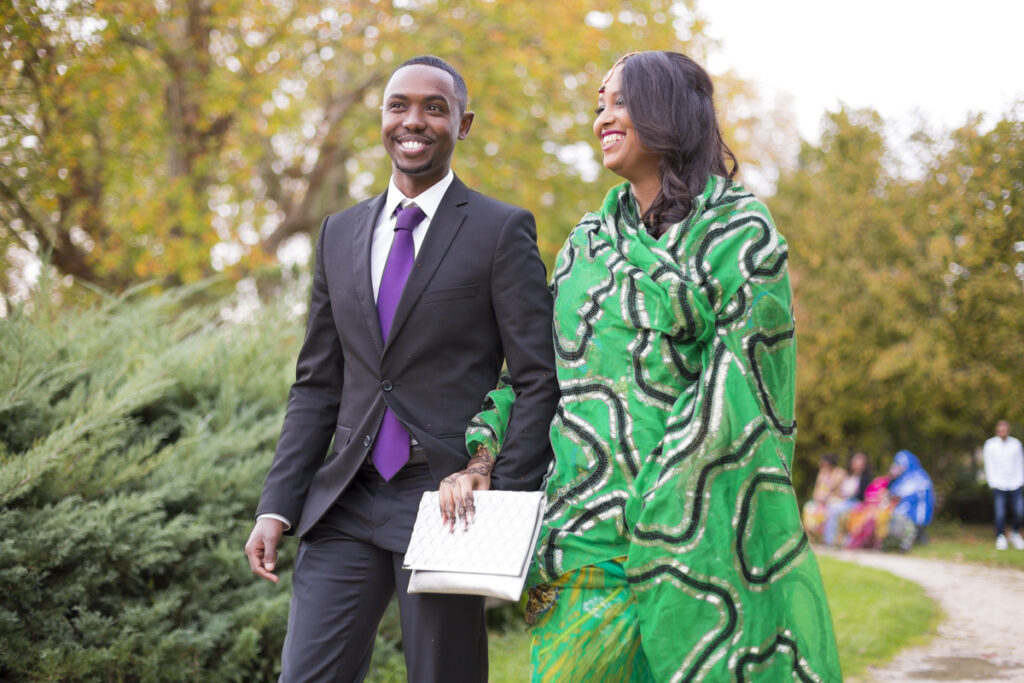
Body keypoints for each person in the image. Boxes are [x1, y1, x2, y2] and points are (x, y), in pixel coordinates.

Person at [458, 51, 840, 681]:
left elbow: (753, 389)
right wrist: (481, 458)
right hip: (581, 538)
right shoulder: (585, 245)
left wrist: (662, 498)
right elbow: (532, 377)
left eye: (621, 101)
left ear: (669, 110)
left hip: (696, 542)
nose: (603, 117)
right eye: (599, 105)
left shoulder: (740, 232)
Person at [243, 55, 559, 682]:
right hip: (347, 499)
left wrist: (502, 493)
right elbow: (317, 384)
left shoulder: (500, 231)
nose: (414, 120)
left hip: (446, 504)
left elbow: (537, 377)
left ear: (462, 124)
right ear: (382, 118)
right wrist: (276, 505)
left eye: (434, 108)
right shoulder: (338, 233)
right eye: (399, 106)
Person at [982, 420, 1024, 550]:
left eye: (1005, 429)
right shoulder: (990, 444)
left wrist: (1021, 479)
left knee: (1019, 511)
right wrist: (992, 482)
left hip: (1015, 483)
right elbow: (988, 464)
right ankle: (1000, 537)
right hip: (999, 483)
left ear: (1008, 430)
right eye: (1000, 430)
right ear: (997, 430)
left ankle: (1015, 533)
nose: (1003, 432)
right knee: (1000, 513)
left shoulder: (1016, 444)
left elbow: (1020, 462)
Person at [885, 450, 934, 552]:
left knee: (891, 516)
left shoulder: (916, 477)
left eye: (898, 464)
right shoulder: (907, 477)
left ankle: (904, 542)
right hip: (908, 517)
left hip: (914, 518)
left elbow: (896, 496)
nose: (896, 467)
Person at [822, 450, 872, 546]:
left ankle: (830, 540)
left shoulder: (865, 479)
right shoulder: (847, 476)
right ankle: (830, 539)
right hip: (845, 501)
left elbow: (861, 496)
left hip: (855, 503)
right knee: (831, 507)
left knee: (834, 510)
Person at [801, 452, 846, 542]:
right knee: (808, 507)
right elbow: (817, 489)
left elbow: (833, 488)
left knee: (828, 511)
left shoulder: (839, 472)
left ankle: (828, 539)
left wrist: (827, 477)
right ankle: (811, 535)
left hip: (835, 500)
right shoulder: (822, 473)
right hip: (821, 500)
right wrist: (817, 497)